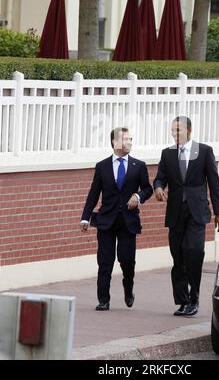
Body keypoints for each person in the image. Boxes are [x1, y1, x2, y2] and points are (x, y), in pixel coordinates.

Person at [153, 116, 219, 317]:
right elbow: (160, 178)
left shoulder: (204, 151)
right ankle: (183, 301)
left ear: (189, 130)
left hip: (197, 212)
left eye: (178, 130)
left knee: (193, 252)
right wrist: (158, 188)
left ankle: (194, 298)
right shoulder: (167, 154)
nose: (174, 134)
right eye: (172, 130)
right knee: (178, 257)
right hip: (176, 213)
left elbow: (214, 182)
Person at [80, 127, 153, 311]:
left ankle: (128, 290)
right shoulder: (102, 166)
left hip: (128, 222)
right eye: (126, 139)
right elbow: (94, 193)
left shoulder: (139, 166)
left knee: (126, 260)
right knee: (105, 261)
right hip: (106, 220)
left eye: (131, 139)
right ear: (114, 142)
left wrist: (137, 197)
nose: (129, 142)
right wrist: (85, 217)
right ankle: (103, 300)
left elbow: (147, 189)